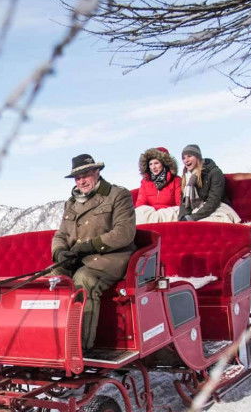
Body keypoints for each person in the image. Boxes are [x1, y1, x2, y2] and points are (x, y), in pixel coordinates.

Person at [50, 153, 136, 352]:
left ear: (97, 172)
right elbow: (61, 234)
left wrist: (91, 245)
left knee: (84, 279)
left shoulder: (117, 195)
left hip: (112, 257)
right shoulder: (71, 203)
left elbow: (124, 233)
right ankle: (52, 343)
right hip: (79, 257)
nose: (81, 181)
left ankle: (79, 348)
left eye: (86, 175)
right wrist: (60, 252)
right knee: (52, 277)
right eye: (77, 178)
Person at [178, 144, 241, 223]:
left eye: (189, 156)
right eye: (183, 158)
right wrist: (181, 219)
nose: (186, 160)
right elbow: (184, 203)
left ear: (197, 157)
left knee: (201, 223)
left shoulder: (214, 172)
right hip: (198, 209)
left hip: (218, 207)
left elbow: (213, 201)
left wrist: (192, 217)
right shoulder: (187, 177)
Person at [134, 146, 182, 224]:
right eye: (150, 164)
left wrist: (161, 212)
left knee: (178, 211)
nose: (153, 167)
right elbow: (140, 204)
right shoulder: (145, 182)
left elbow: (179, 204)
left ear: (164, 164)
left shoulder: (176, 180)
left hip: (168, 215)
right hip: (150, 215)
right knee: (139, 212)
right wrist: (153, 212)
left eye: (156, 163)